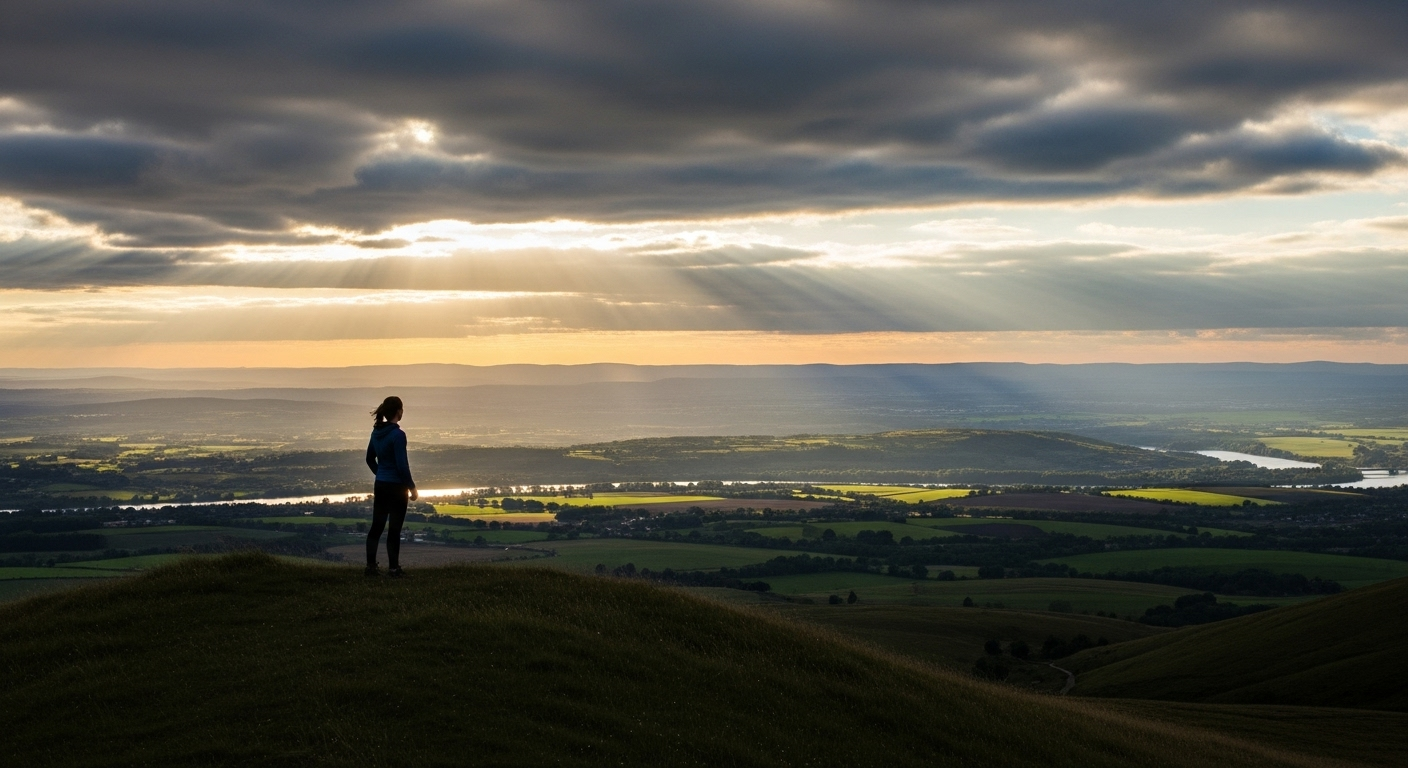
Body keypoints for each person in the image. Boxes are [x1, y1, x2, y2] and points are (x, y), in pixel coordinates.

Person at [365, 396, 418, 577]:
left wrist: (380, 473)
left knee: (377, 527)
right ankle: (393, 569)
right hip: (396, 488)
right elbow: (402, 466)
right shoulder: (398, 435)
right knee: (394, 529)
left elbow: (369, 459)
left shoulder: (376, 433)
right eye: (402, 409)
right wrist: (411, 487)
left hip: (381, 485)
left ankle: (371, 567)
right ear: (398, 412)